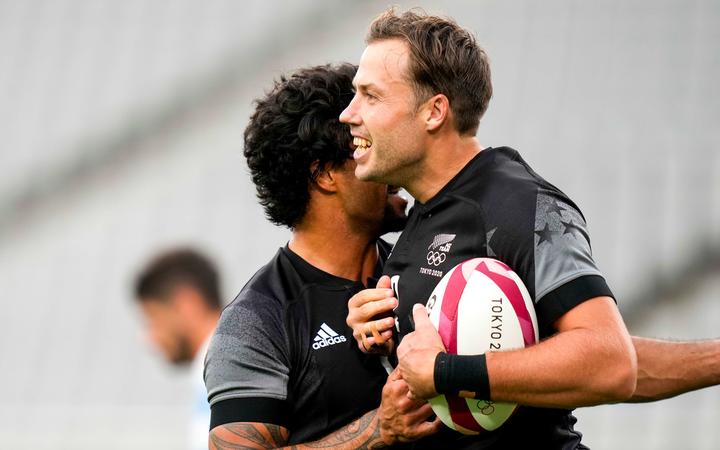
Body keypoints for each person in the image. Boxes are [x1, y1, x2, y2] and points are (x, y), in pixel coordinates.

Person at [338, 9, 635, 448]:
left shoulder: (520, 204)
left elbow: (613, 362)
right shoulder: (420, 216)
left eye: (371, 96)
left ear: (434, 112)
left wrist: (444, 372)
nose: (349, 113)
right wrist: (384, 336)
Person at [203, 63, 440, 449]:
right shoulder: (257, 320)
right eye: (366, 145)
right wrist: (376, 430)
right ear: (325, 174)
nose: (392, 160)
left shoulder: (426, 269)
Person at [134, 248, 222, 450]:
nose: (147, 338)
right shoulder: (217, 368)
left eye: (153, 318)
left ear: (187, 305)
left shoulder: (227, 368)